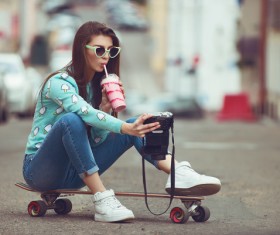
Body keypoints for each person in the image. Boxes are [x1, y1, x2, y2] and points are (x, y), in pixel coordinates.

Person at [22, 21, 221, 223]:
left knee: (134, 124)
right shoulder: (60, 83)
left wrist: (106, 109)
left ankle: (179, 173)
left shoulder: (96, 87)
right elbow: (85, 113)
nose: (106, 56)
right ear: (82, 50)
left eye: (111, 50)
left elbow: (96, 142)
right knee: (71, 120)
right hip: (40, 171)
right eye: (99, 49)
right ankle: (102, 200)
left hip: (75, 174)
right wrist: (124, 126)